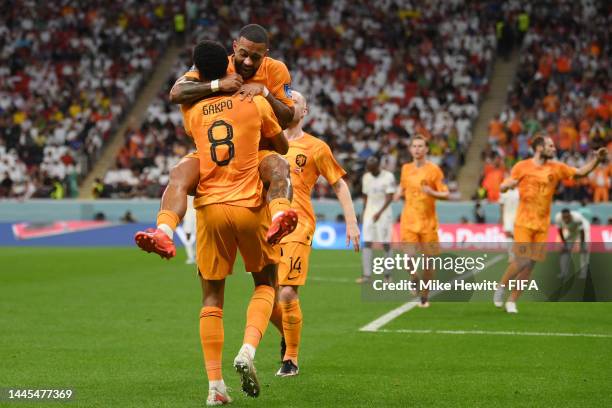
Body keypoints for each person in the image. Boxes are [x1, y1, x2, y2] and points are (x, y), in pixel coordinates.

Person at [173, 40, 288, 405]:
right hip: (249, 204)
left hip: (208, 207)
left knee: (211, 297)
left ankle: (215, 387)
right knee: (266, 283)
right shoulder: (252, 100)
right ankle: (248, 350)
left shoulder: (191, 109)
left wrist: (214, 89)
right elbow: (282, 145)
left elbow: (179, 92)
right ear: (229, 63)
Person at [135, 24, 298, 259]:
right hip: (215, 152)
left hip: (255, 152)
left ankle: (280, 219)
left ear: (266, 54)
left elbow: (288, 117)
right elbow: (176, 92)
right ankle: (163, 232)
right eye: (244, 54)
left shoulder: (277, 71)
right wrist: (217, 84)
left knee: (278, 167)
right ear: (235, 47)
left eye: (256, 57)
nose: (249, 62)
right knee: (179, 173)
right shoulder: (218, 65)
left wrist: (264, 92)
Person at [271, 91, 360, 377]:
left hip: (299, 224)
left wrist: (351, 221)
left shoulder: (316, 147)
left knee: (287, 292)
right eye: (286, 101)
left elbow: (338, 184)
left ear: (305, 110)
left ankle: (291, 358)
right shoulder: (268, 142)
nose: (290, 105)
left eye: (295, 101)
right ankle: (288, 334)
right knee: (269, 296)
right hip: (267, 225)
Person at [493, 136, 607, 313]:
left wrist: (597, 160)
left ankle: (512, 301)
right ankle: (501, 287)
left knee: (530, 265)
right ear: (539, 148)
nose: (554, 149)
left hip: (542, 224)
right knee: (522, 260)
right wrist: (507, 185)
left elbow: (580, 173)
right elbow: (504, 186)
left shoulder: (557, 167)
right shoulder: (521, 166)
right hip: (523, 221)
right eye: (550, 146)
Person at [393, 135, 449, 307]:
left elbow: (445, 194)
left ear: (426, 149)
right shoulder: (405, 169)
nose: (417, 149)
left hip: (428, 224)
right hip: (409, 220)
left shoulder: (434, 170)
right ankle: (413, 277)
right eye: (414, 146)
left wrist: (431, 193)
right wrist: (397, 192)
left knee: (429, 264)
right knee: (408, 257)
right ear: (410, 149)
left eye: (420, 146)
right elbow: (402, 186)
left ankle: (424, 296)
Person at [357, 156, 396, 283]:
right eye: (368, 167)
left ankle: (387, 275)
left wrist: (379, 212)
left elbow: (390, 197)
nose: (369, 169)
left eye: (371, 167)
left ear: (377, 165)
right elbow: (365, 196)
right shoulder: (366, 177)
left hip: (384, 214)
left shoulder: (388, 176)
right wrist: (364, 213)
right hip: (369, 213)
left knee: (385, 244)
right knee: (367, 242)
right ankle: (367, 275)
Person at [555, 208, 590, 279]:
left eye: (567, 217)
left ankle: (584, 274)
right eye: (564, 217)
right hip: (571, 230)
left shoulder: (577, 218)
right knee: (564, 252)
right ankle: (563, 273)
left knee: (584, 252)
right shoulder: (558, 218)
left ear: (570, 215)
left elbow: (582, 232)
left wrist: (582, 245)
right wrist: (564, 243)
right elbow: (560, 230)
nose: (566, 219)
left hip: (584, 229)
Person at [499, 181, 519, 262]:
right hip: (507, 216)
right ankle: (511, 255)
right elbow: (501, 205)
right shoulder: (504, 193)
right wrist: (501, 217)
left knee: (516, 236)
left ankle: (517, 253)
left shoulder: (519, 192)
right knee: (508, 234)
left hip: (517, 217)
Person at [174, 195, 197, 264]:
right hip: (191, 215)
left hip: (195, 215)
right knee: (190, 237)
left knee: (194, 238)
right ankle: (192, 257)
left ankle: (194, 257)